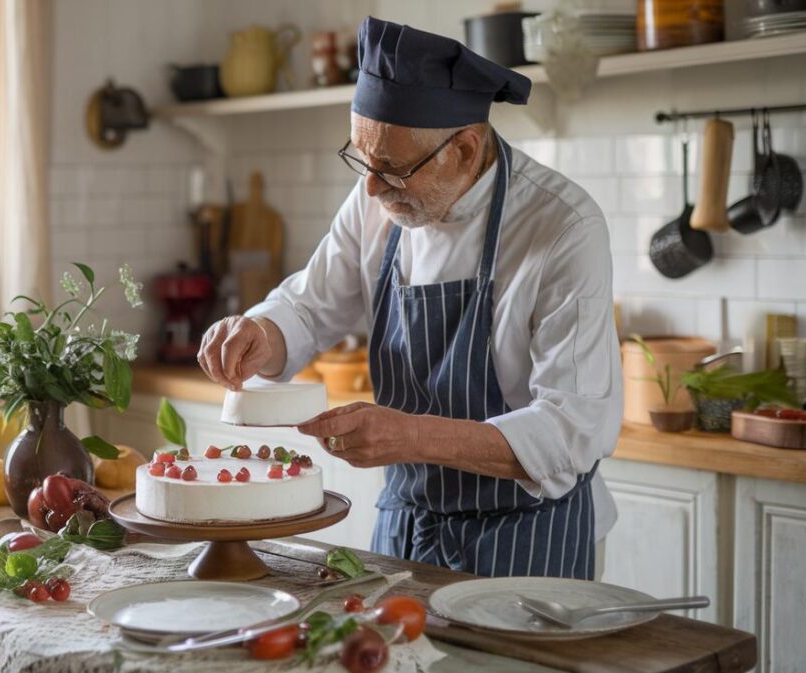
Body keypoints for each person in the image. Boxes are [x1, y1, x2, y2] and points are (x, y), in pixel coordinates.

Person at [196, 16, 622, 580]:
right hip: (408, 526)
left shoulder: (563, 227)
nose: (371, 187)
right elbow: (310, 304)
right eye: (361, 159)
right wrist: (259, 331)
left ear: (466, 150)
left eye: (392, 170)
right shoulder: (377, 195)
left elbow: (572, 431)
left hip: (528, 534)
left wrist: (410, 435)